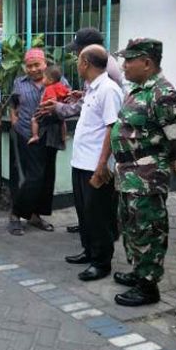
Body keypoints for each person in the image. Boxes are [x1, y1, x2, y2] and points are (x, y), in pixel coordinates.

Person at [110, 38, 176, 306]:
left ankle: (148, 287)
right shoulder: (139, 91)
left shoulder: (163, 94)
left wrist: (164, 159)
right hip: (129, 174)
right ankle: (138, 272)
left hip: (147, 178)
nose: (123, 66)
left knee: (149, 229)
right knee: (132, 227)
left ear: (146, 63)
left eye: (129, 60)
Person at [59, 45, 123, 282]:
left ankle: (101, 262)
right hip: (81, 163)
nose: (76, 63)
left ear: (85, 63)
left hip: (96, 166)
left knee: (99, 215)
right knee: (85, 213)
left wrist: (102, 165)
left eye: (78, 59)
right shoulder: (92, 89)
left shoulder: (108, 90)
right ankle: (89, 251)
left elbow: (112, 128)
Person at [9, 48, 64, 235]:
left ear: (44, 64)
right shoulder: (19, 82)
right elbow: (13, 104)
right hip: (29, 134)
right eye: (29, 66)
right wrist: (15, 120)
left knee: (48, 177)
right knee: (35, 176)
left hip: (51, 133)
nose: (32, 69)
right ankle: (16, 214)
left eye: (36, 65)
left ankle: (35, 215)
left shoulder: (59, 79)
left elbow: (68, 101)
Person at [28, 65, 69, 146]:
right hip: (60, 111)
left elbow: (52, 99)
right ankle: (64, 136)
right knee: (62, 122)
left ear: (50, 80)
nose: (42, 80)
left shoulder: (49, 88)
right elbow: (68, 94)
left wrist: (44, 105)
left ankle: (35, 135)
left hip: (47, 110)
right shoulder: (61, 86)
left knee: (34, 119)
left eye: (44, 78)